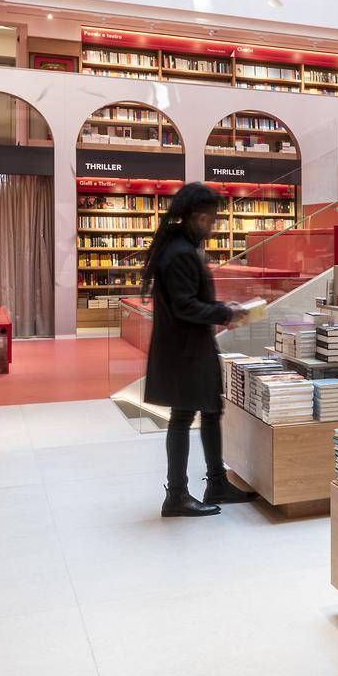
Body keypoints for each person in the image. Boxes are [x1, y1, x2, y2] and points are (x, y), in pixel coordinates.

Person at [141, 183, 255, 517]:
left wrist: (222, 308)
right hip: (185, 349)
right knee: (183, 416)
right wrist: (225, 313)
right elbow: (185, 306)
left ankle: (216, 482)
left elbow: (191, 301)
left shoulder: (181, 247)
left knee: (209, 409)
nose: (214, 225)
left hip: (190, 346)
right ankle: (176, 494)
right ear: (197, 216)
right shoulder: (179, 253)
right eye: (212, 219)